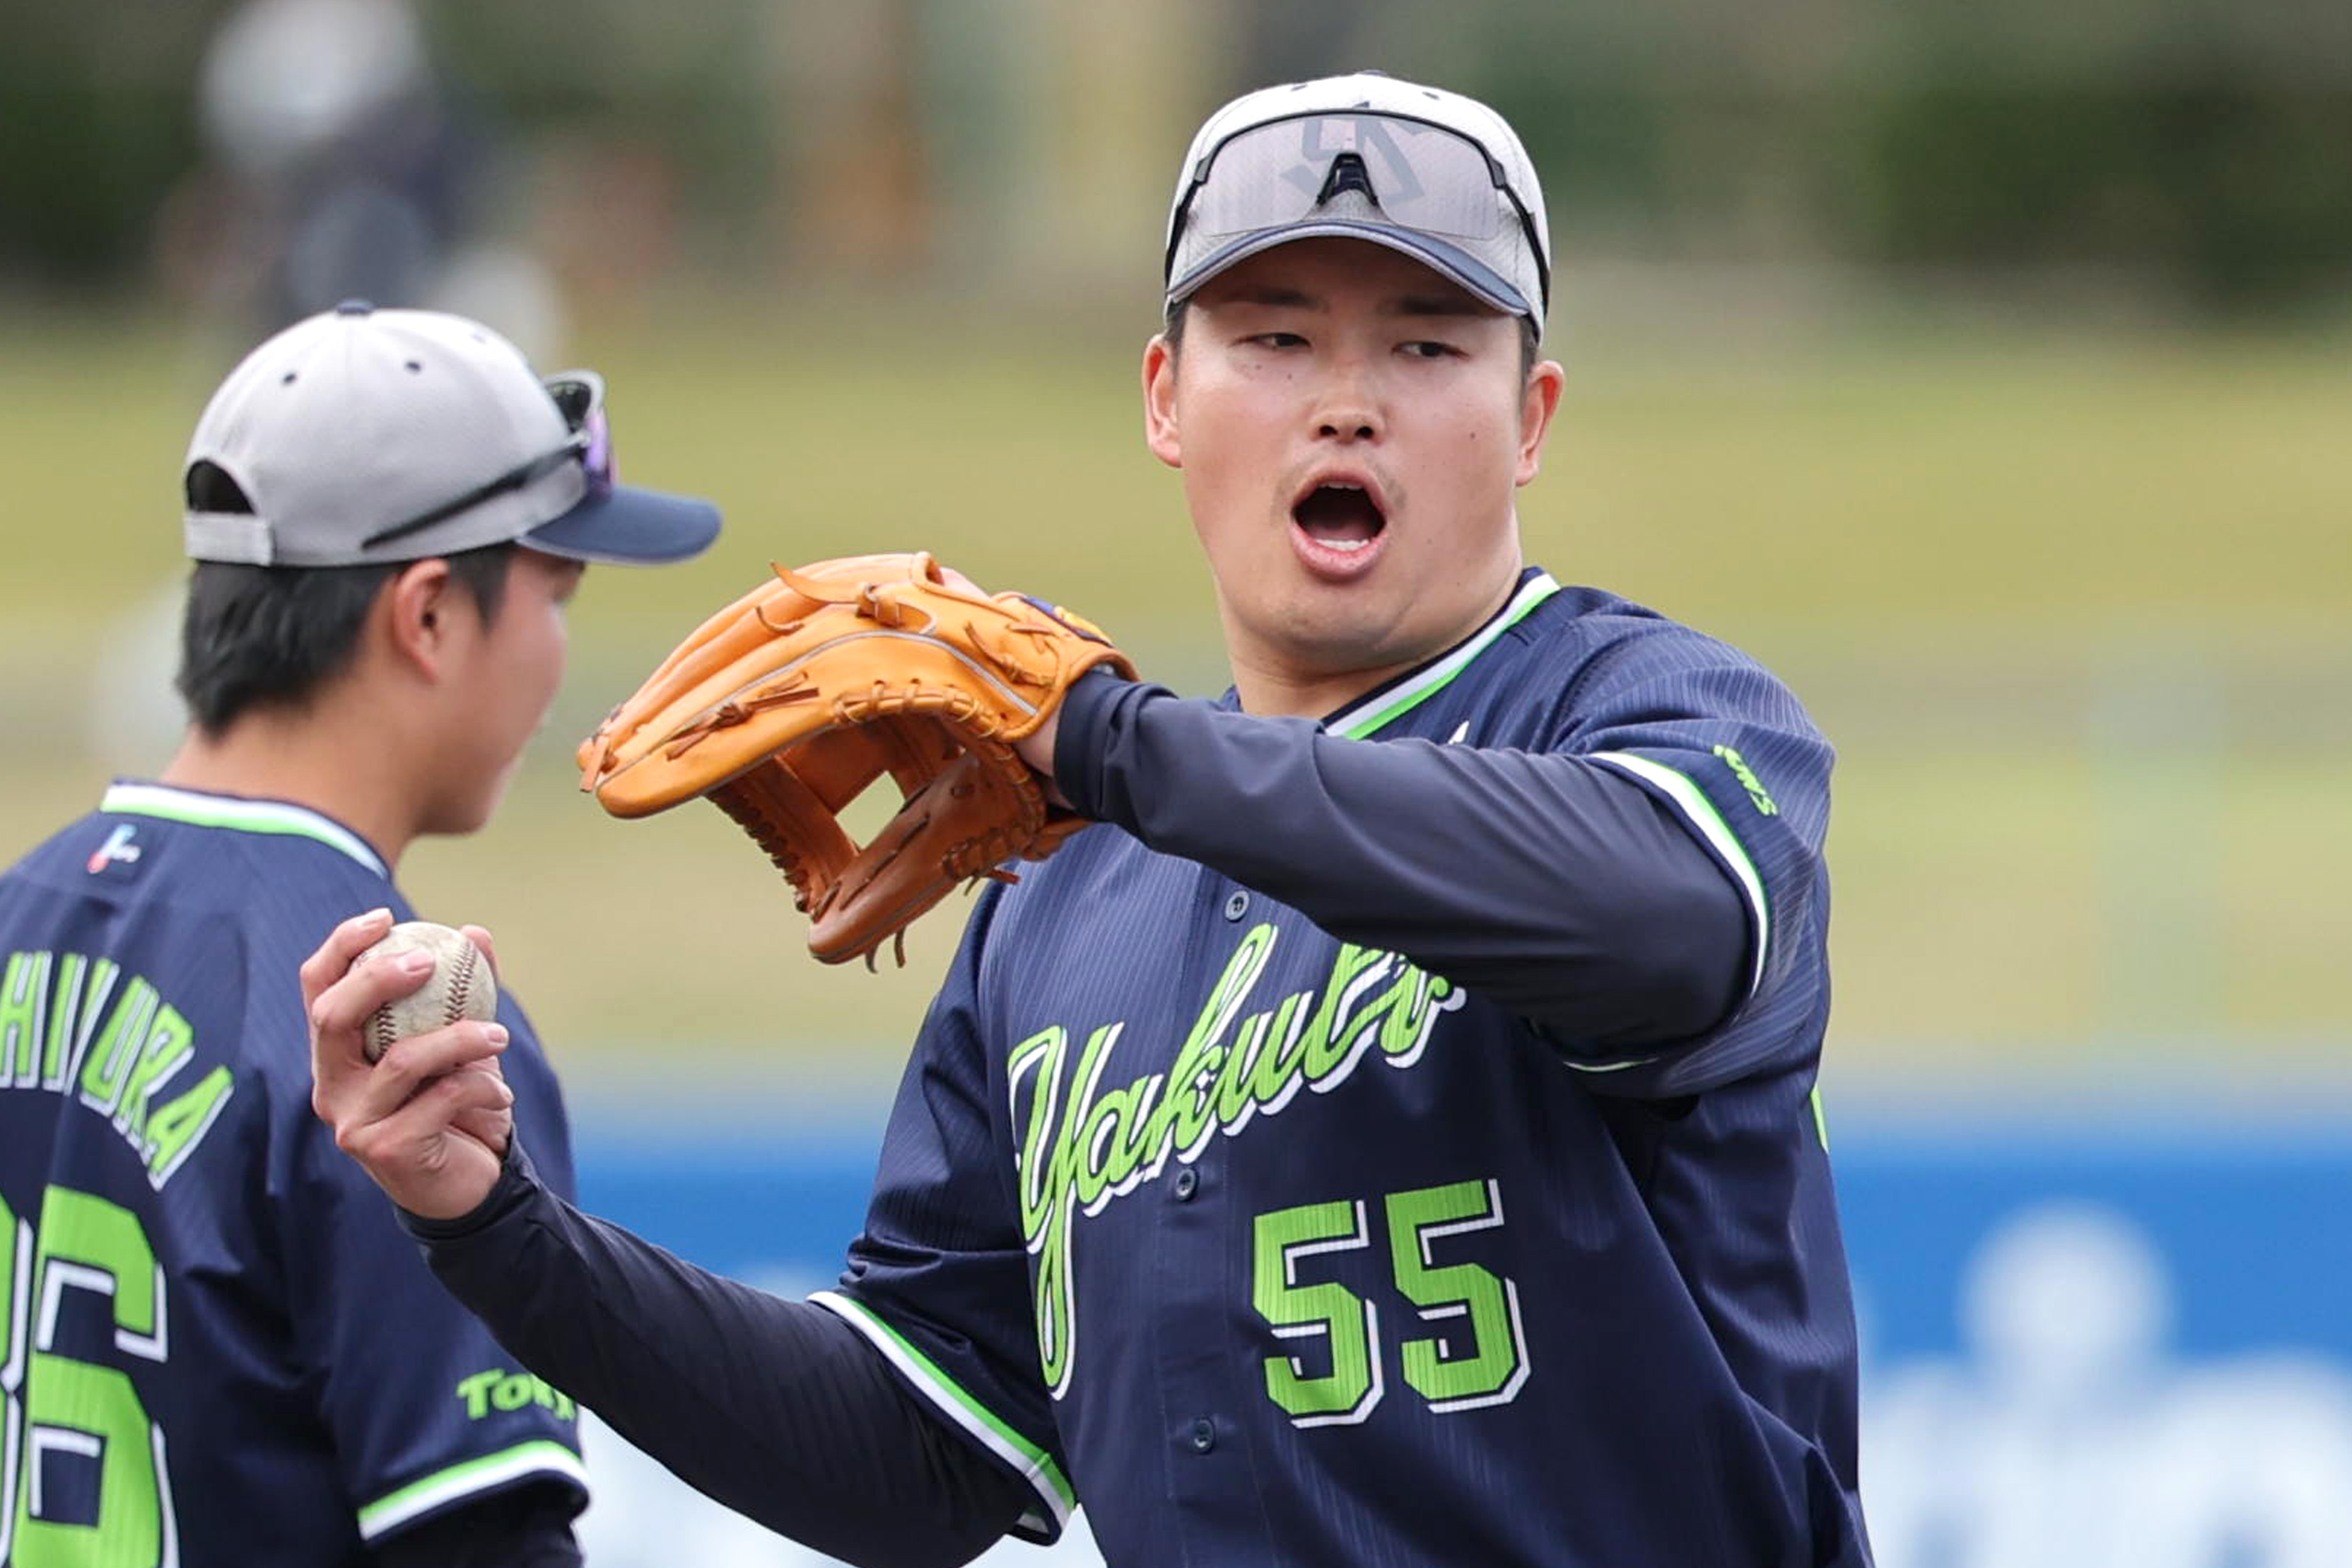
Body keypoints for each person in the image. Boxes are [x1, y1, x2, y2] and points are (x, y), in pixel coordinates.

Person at [308, 71, 1872, 1567]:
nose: (1346, 403)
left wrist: (1116, 744)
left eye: (1425, 346)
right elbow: (916, 1450)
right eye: (1273, 337)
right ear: (1165, 400)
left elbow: (1663, 917)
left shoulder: (1659, 724)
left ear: (1529, 417)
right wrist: (495, 1228)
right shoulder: (1069, 888)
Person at [0, 301, 720, 1565]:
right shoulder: (394, 1016)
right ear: (429, 614)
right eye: (555, 590)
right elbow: (475, 1540)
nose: (561, 652)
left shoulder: (25, 912)